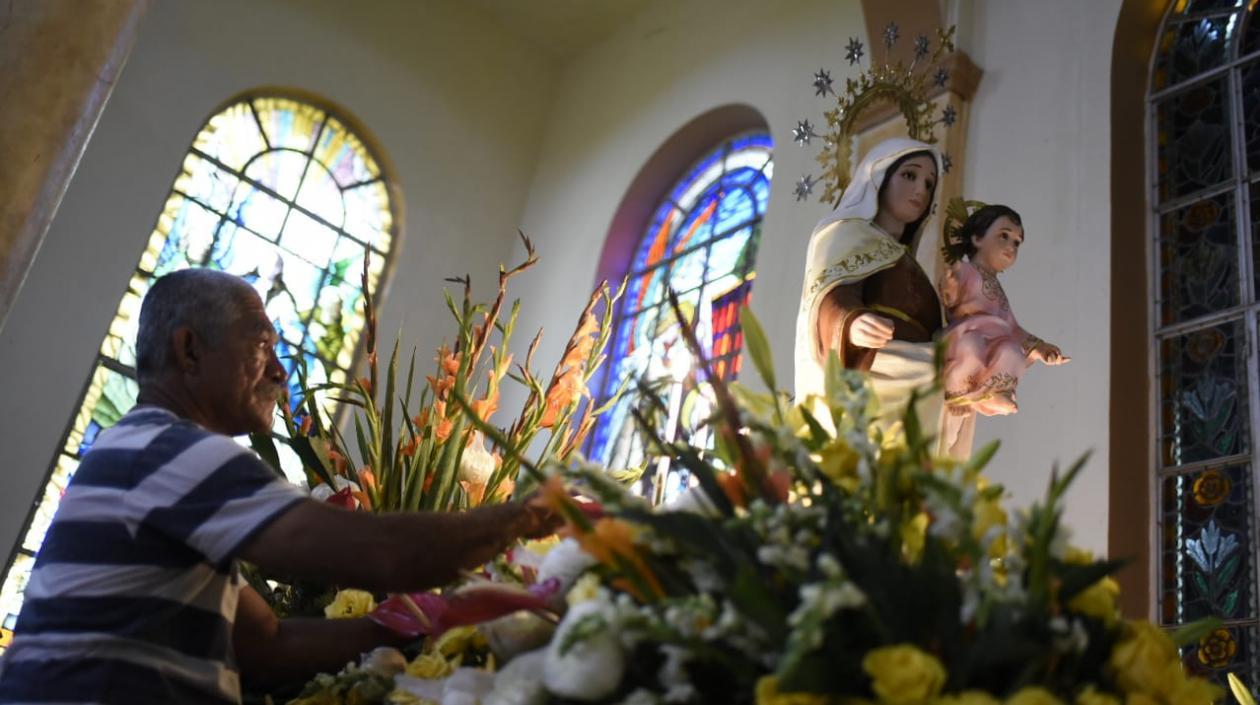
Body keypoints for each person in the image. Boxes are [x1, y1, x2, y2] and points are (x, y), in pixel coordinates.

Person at [0, 269, 557, 704]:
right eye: (262, 344)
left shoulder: (140, 450)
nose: (280, 372)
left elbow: (264, 645)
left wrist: (429, 622)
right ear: (189, 350)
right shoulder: (172, 452)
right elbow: (381, 554)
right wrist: (527, 516)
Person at [793, 137, 949, 451]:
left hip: (918, 384)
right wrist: (851, 323)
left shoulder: (907, 261)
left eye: (929, 184)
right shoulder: (843, 231)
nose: (920, 190)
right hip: (873, 367)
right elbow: (827, 296)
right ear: (878, 177)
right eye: (909, 175)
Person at [938, 204, 1068, 421]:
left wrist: (1040, 348)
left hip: (996, 339)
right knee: (971, 348)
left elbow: (1012, 327)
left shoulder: (997, 288)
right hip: (966, 332)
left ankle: (993, 393)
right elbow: (951, 298)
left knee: (1012, 351)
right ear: (977, 238)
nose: (1011, 246)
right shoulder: (965, 270)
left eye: (1016, 242)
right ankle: (958, 393)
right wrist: (950, 290)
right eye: (1004, 236)